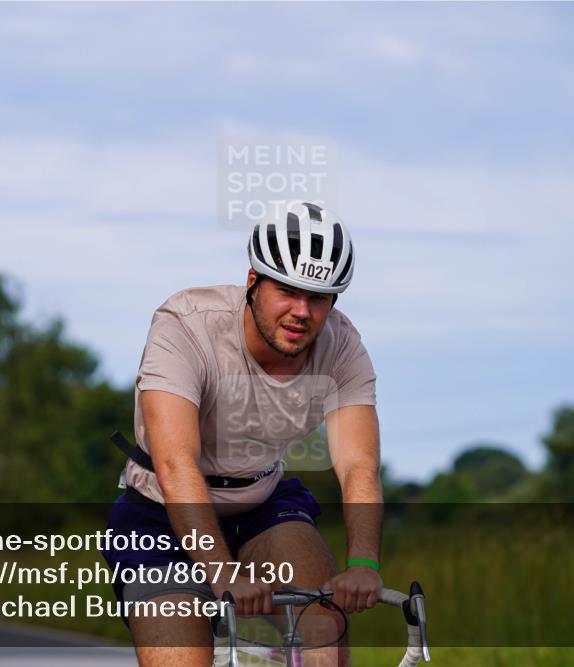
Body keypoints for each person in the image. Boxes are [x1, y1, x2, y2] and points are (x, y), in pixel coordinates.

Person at [102, 201, 382, 667]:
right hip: (160, 514)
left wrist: (364, 564)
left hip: (262, 503)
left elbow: (358, 465)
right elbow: (176, 464)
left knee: (323, 630)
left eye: (319, 298)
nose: (302, 312)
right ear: (253, 282)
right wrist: (221, 572)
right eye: (287, 292)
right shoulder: (186, 325)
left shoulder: (342, 346)